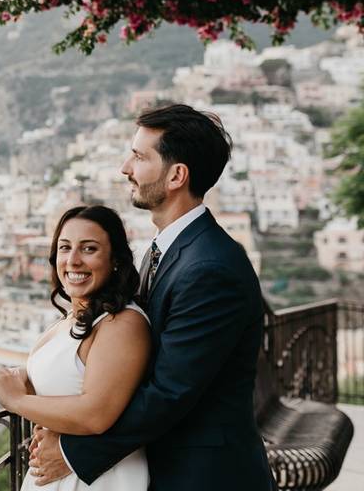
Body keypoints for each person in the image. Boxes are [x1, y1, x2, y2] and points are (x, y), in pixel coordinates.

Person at [29, 104, 274, 490]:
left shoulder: (209, 267)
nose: (125, 168)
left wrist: (75, 454)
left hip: (203, 476)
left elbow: (169, 392)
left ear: (176, 175)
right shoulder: (168, 252)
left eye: (139, 156)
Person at [0, 204, 151, 490]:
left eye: (89, 249)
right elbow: (69, 375)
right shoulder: (71, 319)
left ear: (116, 260)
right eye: (65, 248)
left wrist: (15, 400)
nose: (73, 260)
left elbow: (96, 414)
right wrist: (23, 374)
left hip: (98, 479)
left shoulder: (122, 324)